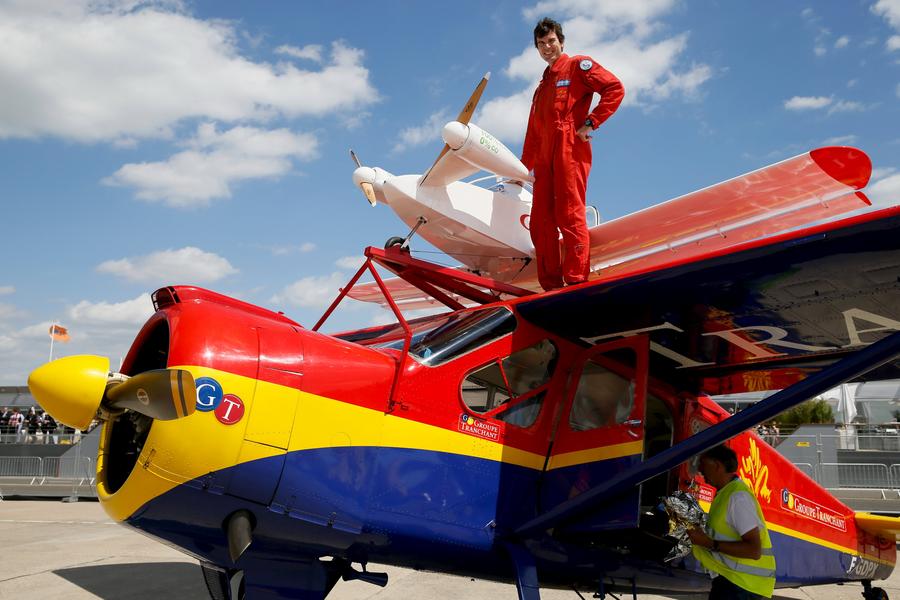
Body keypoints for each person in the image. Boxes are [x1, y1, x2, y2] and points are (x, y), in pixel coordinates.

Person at [521, 17, 625, 291]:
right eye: (541, 44)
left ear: (561, 42)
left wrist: (591, 122)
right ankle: (550, 286)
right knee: (540, 223)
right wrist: (521, 170)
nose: (547, 48)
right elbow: (533, 134)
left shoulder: (578, 66)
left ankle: (576, 281)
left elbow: (614, 88)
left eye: (551, 41)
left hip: (569, 148)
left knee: (569, 215)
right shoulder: (541, 88)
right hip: (544, 158)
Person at [687, 444, 776, 599]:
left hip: (741, 585)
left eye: (702, 463)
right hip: (732, 581)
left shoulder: (737, 498)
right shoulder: (726, 494)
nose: (700, 469)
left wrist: (708, 542)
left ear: (717, 466)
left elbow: (753, 550)